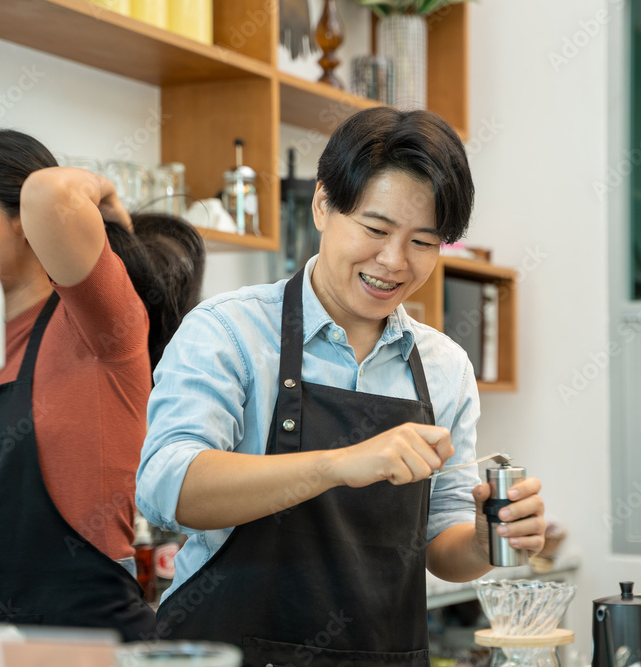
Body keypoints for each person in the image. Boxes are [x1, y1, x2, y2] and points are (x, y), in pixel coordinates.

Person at [137, 107, 547, 663]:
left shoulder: (444, 367)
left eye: (424, 242)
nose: (394, 261)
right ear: (324, 204)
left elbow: (442, 543)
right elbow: (167, 489)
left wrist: (484, 539)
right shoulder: (229, 331)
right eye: (376, 229)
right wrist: (338, 464)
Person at [0, 130, 204, 641]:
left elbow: (51, 193)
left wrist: (102, 194)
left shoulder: (98, 326)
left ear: (23, 220)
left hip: (86, 640)